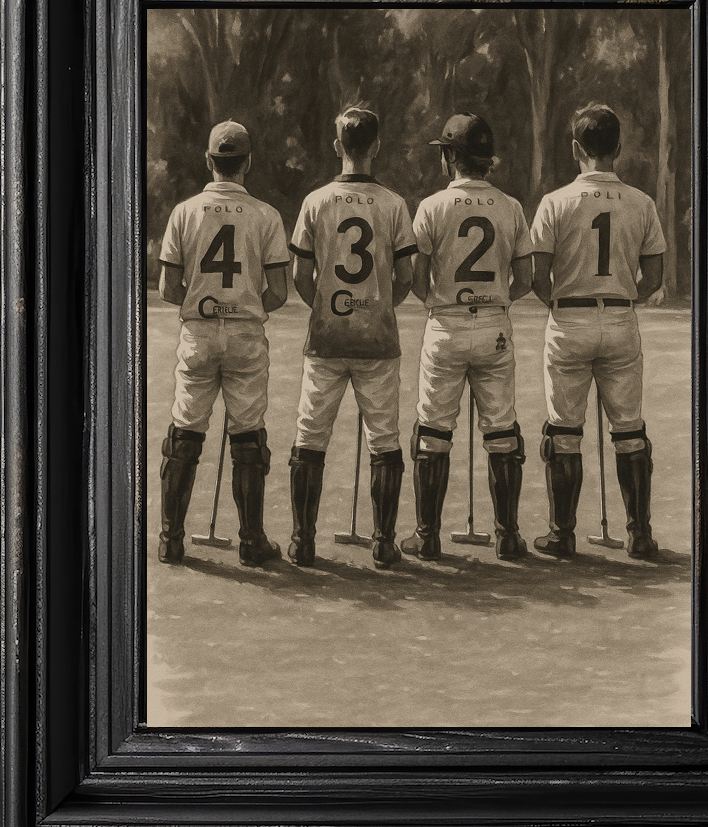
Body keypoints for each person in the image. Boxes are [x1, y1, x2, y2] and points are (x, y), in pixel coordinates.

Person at [530, 103, 666, 560]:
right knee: (629, 430)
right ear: (619, 148)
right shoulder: (642, 202)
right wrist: (626, 297)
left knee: (564, 431)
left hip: (569, 319)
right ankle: (640, 534)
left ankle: (561, 533)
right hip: (621, 318)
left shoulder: (554, 202)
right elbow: (655, 276)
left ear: (575, 149)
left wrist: (563, 302)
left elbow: (537, 275)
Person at [288, 107, 417, 569]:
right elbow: (405, 276)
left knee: (309, 436)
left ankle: (303, 542)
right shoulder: (395, 204)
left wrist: (324, 305)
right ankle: (384, 543)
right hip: (377, 339)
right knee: (385, 440)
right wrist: (378, 306)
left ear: (337, 146)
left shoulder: (315, 200)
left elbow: (301, 275)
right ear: (376, 146)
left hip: (325, 338)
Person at [157, 120, 289, 567]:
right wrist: (245, 306)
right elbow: (279, 292)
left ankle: (170, 540)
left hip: (197, 332)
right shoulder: (266, 215)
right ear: (247, 163)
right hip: (246, 335)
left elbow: (168, 289)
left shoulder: (184, 211)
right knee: (248, 437)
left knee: (185, 433)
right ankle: (252, 542)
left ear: (209, 161)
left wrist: (203, 303)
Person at [404, 112, 534, 561]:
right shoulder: (511, 206)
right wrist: (497, 301)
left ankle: (427, 535)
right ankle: (508, 535)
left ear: (451, 157)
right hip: (495, 324)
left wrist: (440, 301)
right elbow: (526, 279)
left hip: (446, 324)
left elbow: (417, 279)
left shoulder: (431, 207)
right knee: (501, 429)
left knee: (434, 429)